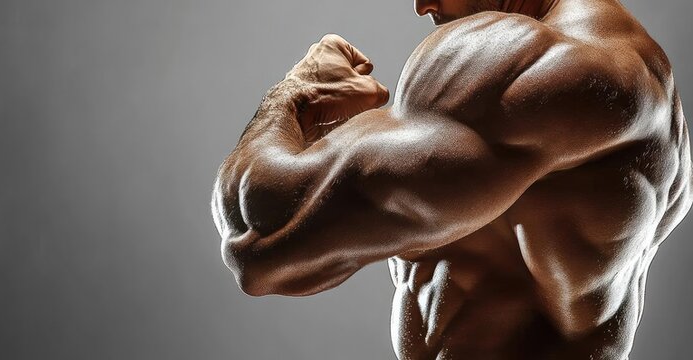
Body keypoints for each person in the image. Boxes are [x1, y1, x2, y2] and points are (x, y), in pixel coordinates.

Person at [210, 0, 692, 358]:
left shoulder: (543, 68)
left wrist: (295, 95)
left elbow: (261, 236)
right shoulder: (635, 87)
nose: (421, 5)